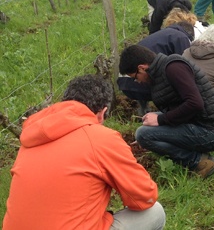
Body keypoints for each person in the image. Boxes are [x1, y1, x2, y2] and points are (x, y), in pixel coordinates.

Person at [3, 74, 165, 230]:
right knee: (154, 212)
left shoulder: (31, 139)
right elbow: (144, 197)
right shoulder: (101, 138)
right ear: (102, 113)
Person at [119, 44, 214, 178]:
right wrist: (158, 129)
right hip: (199, 121)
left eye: (134, 77)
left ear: (142, 68)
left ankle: (200, 162)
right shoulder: (159, 72)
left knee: (143, 134)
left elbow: (195, 104)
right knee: (148, 120)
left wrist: (160, 122)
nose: (136, 81)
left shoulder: (173, 68)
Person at [117, 19, 195, 115]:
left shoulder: (162, 34)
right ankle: (169, 113)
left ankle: (144, 109)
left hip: (125, 84)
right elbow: (185, 65)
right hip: (140, 81)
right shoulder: (181, 37)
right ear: (190, 34)